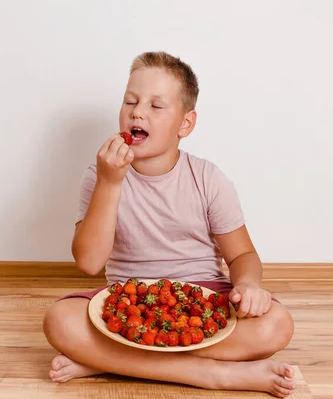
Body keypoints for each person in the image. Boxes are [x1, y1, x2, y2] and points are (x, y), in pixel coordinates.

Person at [43, 51, 296, 398]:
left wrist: (249, 286)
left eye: (156, 106)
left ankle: (111, 360)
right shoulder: (99, 176)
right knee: (59, 320)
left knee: (277, 325)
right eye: (130, 101)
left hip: (202, 299)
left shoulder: (207, 178)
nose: (137, 111)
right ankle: (216, 375)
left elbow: (243, 256)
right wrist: (110, 183)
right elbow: (89, 263)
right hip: (127, 301)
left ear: (185, 124)